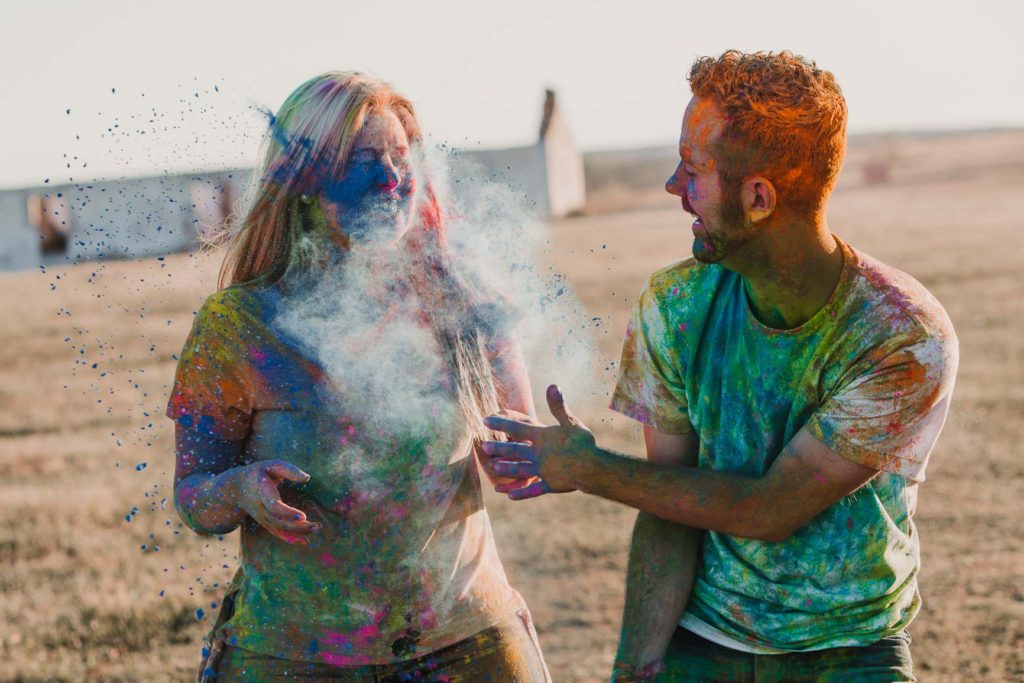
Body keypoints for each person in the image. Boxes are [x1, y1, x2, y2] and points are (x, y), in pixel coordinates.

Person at [482, 51, 958, 682]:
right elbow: (671, 499)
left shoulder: (902, 336)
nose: (674, 186)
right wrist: (635, 663)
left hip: (851, 651)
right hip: (700, 643)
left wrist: (587, 467)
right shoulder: (677, 306)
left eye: (693, 169)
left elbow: (769, 510)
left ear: (758, 196)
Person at [167, 71, 551, 682]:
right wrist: (240, 489)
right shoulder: (237, 325)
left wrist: (540, 457)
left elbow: (523, 448)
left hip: (467, 642)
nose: (391, 179)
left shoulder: (463, 304)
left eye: (401, 157)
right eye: (361, 159)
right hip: (295, 657)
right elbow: (195, 499)